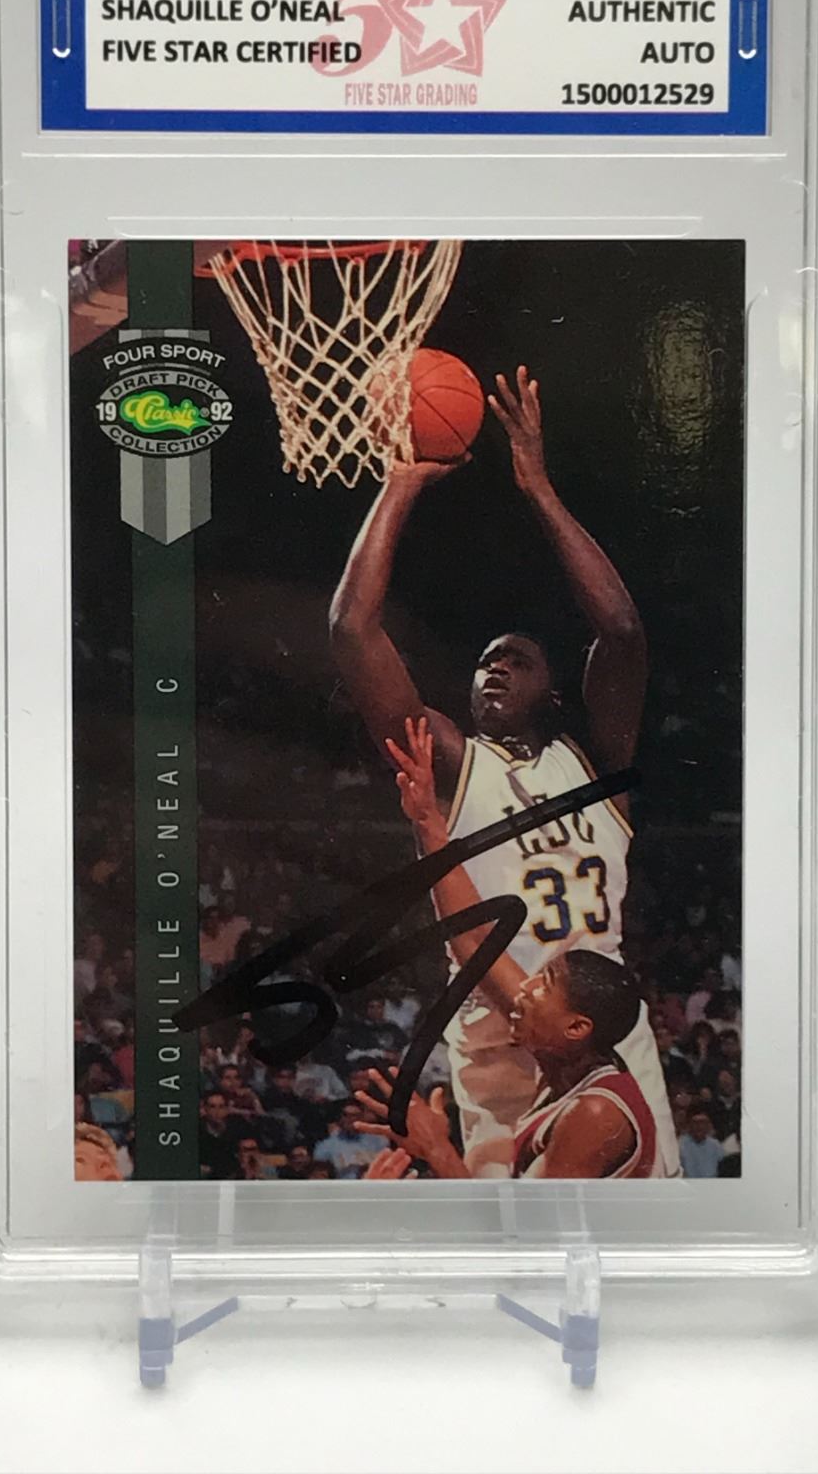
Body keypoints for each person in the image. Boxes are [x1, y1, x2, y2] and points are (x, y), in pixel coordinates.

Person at [330, 371, 677, 1176]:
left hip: (601, 1033)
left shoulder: (593, 765)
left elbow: (622, 631)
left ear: (553, 692)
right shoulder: (454, 763)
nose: (495, 667)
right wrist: (401, 481)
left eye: (516, 660)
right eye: (486, 661)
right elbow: (352, 630)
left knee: (642, 1225)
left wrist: (539, 489)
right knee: (501, 1222)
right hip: (500, 1041)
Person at [357, 717, 675, 1179]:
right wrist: (428, 822)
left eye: (543, 986)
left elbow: (516, 1225)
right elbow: (475, 940)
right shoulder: (564, 1083)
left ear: (576, 1027)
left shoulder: (595, 1113)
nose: (521, 988)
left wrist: (438, 1150)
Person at [310, 1100, 382, 1179]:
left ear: (362, 1117)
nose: (350, 1119)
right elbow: (319, 1177)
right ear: (340, 1118)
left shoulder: (379, 1143)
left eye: (355, 1116)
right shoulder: (325, 1147)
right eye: (346, 1115)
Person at [198, 1091, 243, 1180]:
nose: (217, 1111)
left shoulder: (236, 1129)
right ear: (205, 1109)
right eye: (212, 1107)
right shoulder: (197, 1131)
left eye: (221, 1107)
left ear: (227, 1109)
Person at [678, 1107, 726, 1179]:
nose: (699, 1126)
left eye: (703, 1122)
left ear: (708, 1125)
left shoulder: (715, 1145)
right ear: (689, 1124)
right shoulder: (680, 1145)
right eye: (695, 1123)